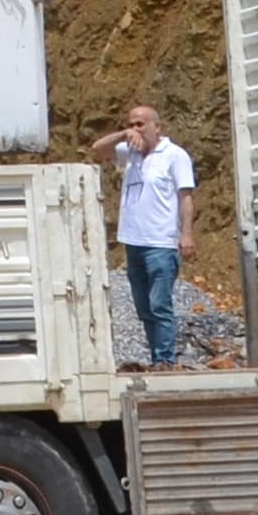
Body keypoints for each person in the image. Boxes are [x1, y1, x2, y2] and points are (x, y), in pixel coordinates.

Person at [95, 99, 198, 367]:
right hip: (133, 242)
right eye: (131, 124)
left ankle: (164, 360)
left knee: (159, 304)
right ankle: (155, 357)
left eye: (140, 124)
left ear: (157, 127)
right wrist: (122, 134)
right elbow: (98, 149)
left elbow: (185, 196)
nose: (135, 129)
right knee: (143, 308)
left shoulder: (175, 155)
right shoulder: (131, 153)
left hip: (161, 243)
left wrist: (186, 234)